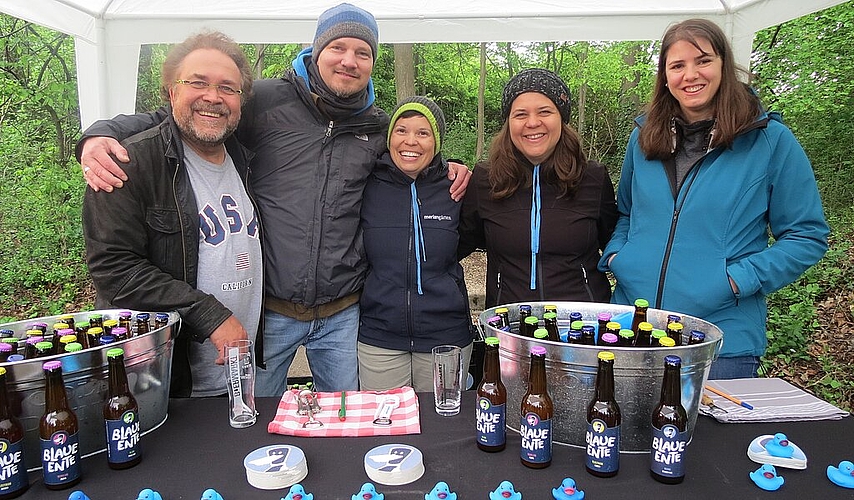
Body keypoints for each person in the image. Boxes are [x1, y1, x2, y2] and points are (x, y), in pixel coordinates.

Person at [76, 3, 470, 396]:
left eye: (362, 52)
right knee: (255, 418)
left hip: (344, 313)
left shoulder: (378, 127)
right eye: (338, 47)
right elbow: (190, 116)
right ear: (316, 50)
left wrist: (449, 168)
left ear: (371, 62)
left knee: (347, 423)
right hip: (270, 313)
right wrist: (100, 133)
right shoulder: (264, 101)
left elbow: (412, 161)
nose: (349, 60)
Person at [598, 19, 829, 379]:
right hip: (634, 331)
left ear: (723, 63)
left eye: (703, 60)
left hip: (719, 340)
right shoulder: (643, 139)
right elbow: (627, 213)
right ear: (665, 76)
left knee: (710, 438)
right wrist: (619, 257)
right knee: (620, 433)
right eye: (677, 65)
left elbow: (806, 235)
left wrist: (736, 279)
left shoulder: (770, 142)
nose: (691, 74)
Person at [82, 31, 262, 397]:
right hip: (165, 380)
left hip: (238, 377)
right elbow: (114, 271)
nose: (213, 97)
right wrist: (210, 315)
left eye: (228, 88)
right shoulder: (127, 164)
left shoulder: (245, 160)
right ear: (171, 92)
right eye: (198, 82)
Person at [458, 68, 617, 308]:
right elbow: (452, 244)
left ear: (562, 118)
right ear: (508, 122)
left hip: (582, 326)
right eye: (520, 114)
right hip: (510, 325)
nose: (532, 123)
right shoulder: (485, 180)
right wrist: (440, 169)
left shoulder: (593, 178)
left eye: (545, 112)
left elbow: (617, 242)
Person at [358, 96, 473, 392]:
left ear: (437, 141)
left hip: (446, 337)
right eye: (402, 130)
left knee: (443, 424)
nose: (411, 141)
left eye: (423, 133)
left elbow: (472, 237)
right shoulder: (365, 184)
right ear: (389, 137)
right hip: (379, 336)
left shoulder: (457, 188)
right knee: (385, 425)